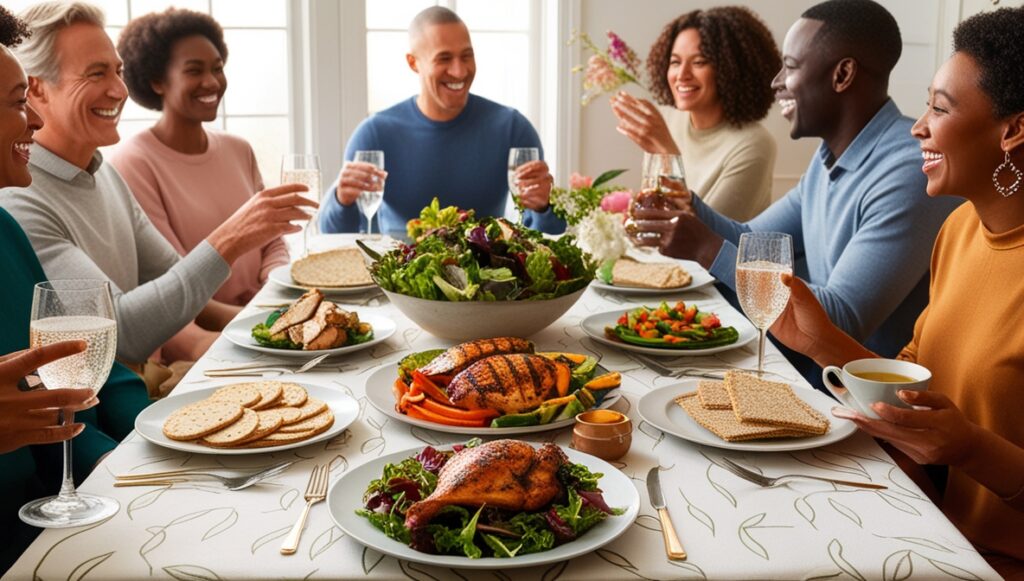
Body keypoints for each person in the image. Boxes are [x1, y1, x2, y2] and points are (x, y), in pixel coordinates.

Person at [770, 7, 1024, 575]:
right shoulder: (960, 230)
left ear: (1012, 129)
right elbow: (915, 377)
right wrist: (824, 343)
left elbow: (959, 439)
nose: (918, 127)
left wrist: (970, 450)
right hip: (931, 527)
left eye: (940, 107)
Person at [631, 0, 962, 380]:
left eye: (789, 67)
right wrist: (685, 204)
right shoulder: (829, 156)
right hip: (810, 371)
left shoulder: (907, 171)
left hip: (859, 399)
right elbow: (753, 240)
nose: (776, 82)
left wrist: (705, 247)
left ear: (842, 75)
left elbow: (840, 319)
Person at [0, 2, 315, 370]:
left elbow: (179, 283)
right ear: (36, 90)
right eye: (97, 74)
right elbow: (123, 334)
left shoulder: (102, 172)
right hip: (111, 404)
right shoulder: (19, 201)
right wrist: (231, 238)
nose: (119, 90)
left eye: (117, 72)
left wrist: (286, 321)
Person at [0, 6, 149, 570]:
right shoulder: (23, 208)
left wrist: (129, 467)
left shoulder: (3, 232)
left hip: (54, 520)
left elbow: (79, 374)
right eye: (18, 104)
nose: (34, 124)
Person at [318, 6, 563, 236]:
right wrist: (341, 200)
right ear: (414, 63)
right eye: (444, 59)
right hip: (399, 275)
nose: (459, 71)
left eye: (466, 56)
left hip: (487, 275)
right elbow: (335, 238)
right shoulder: (375, 134)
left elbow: (544, 236)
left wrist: (544, 207)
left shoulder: (512, 128)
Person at [110, 8, 289, 308]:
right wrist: (253, 318)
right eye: (194, 70)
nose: (212, 82)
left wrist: (272, 293)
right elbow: (173, 278)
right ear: (157, 81)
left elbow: (273, 239)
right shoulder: (135, 162)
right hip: (206, 336)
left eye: (217, 68)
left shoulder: (239, 149)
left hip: (264, 316)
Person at [610, 6, 780, 221]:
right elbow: (656, 214)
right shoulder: (667, 120)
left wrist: (667, 152)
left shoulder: (754, 144)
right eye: (675, 62)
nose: (682, 75)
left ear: (732, 68)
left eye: (699, 62)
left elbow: (708, 237)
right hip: (660, 254)